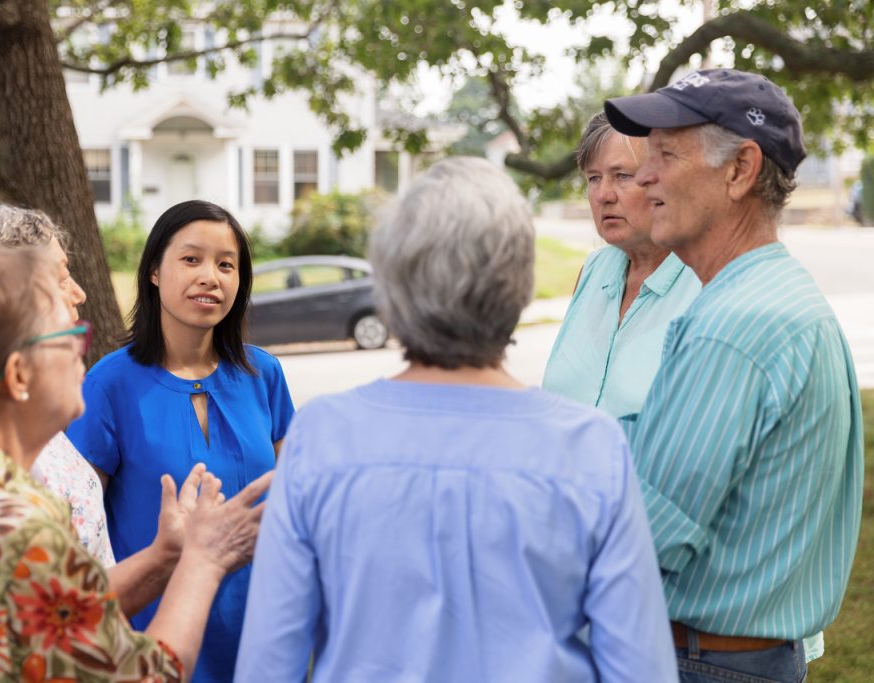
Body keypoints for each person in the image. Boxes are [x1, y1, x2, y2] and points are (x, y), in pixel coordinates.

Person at [233, 157, 678, 682]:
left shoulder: (322, 437)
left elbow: (269, 665)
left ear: (393, 285)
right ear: (519, 285)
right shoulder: (588, 447)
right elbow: (640, 669)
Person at [0, 245, 271, 681]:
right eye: (66, 336)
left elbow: (53, 616)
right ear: (17, 375)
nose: (81, 349)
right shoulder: (18, 529)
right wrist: (204, 561)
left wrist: (164, 557)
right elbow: (149, 675)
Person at [603, 68, 864, 682]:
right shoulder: (776, 293)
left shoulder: (734, 324)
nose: (642, 176)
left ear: (740, 170)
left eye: (664, 154)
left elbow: (643, 534)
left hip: (704, 662)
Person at [0, 205, 183, 619]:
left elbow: (70, 603)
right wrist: (200, 563)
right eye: (59, 278)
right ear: (0, 297)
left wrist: (164, 558)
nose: (79, 293)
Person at [67, 200, 294, 683]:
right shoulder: (109, 384)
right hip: (155, 639)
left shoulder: (264, 374)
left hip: (261, 636)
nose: (211, 276)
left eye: (226, 264)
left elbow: (290, 503)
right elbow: (78, 529)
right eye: (191, 259)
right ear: (153, 271)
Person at [542, 112, 700, 417]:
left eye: (623, 176)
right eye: (593, 178)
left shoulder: (705, 283)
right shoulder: (593, 270)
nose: (603, 195)